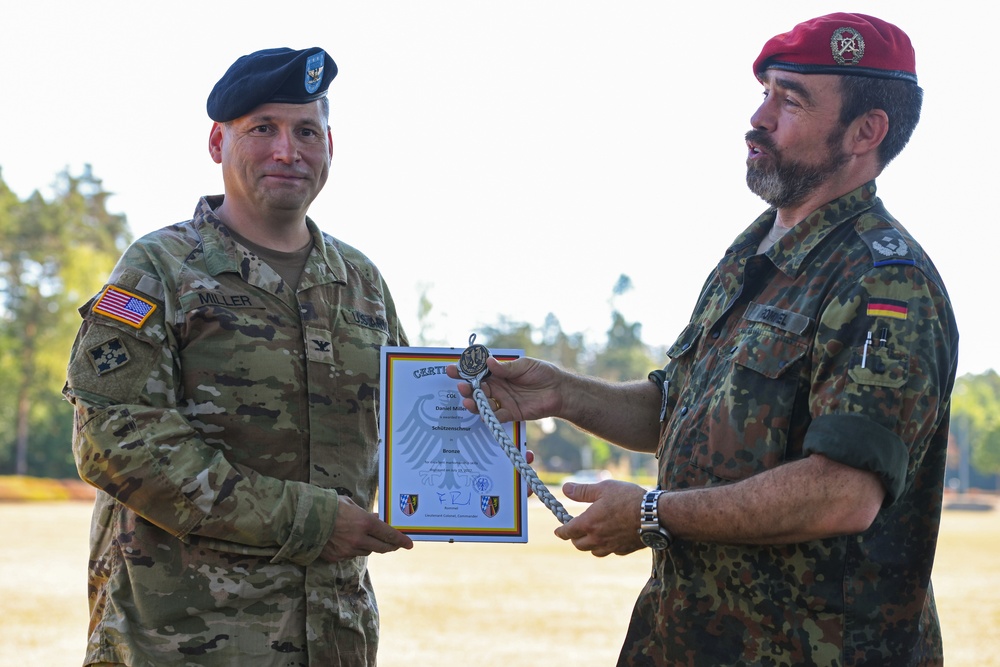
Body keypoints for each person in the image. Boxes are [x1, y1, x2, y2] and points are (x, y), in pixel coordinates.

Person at [451, 13, 957, 666]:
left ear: (866, 131)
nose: (759, 117)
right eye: (765, 92)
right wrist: (560, 392)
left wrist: (653, 512)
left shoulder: (885, 282)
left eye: (789, 99)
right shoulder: (751, 254)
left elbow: (842, 492)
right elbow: (684, 412)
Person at [63, 47, 413, 666]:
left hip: (333, 637)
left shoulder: (360, 281)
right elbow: (116, 442)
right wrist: (307, 520)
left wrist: (485, 404)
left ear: (330, 144)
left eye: (306, 131)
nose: (288, 150)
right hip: (180, 642)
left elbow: (418, 419)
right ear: (217, 142)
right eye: (263, 129)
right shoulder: (158, 270)